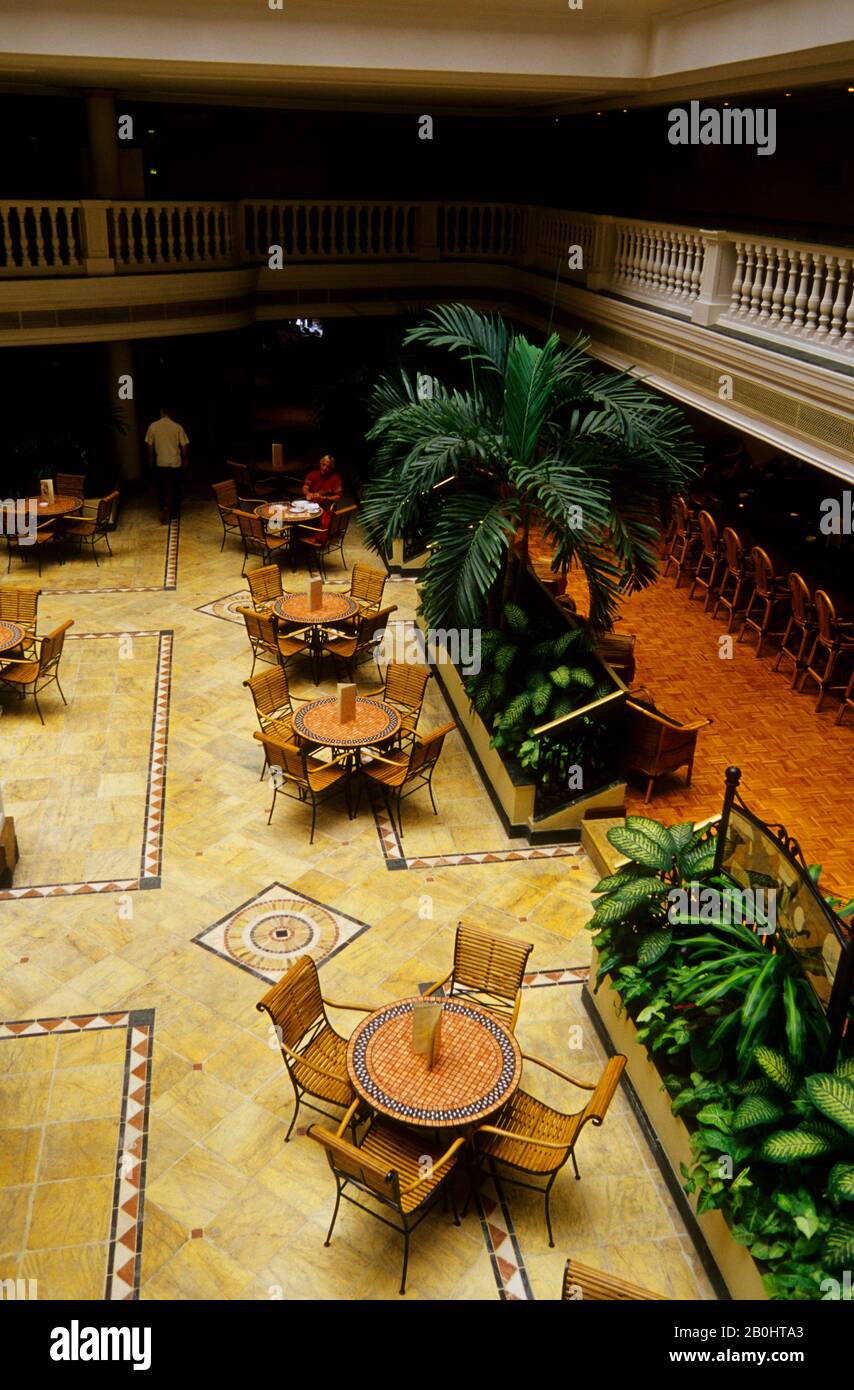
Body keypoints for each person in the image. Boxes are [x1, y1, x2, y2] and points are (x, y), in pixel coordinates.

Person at [145, 406, 189, 524]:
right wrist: (185, 460)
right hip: (175, 463)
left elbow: (149, 445)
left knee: (161, 487)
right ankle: (174, 513)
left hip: (161, 462)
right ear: (171, 413)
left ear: (161, 412)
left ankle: (163, 506)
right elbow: (184, 445)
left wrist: (151, 459)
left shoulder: (153, 426)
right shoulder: (177, 427)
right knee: (176, 488)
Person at [302, 454, 343, 538]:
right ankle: (301, 537)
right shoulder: (312, 474)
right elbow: (305, 487)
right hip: (311, 504)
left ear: (331, 468)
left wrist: (323, 497)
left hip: (326, 506)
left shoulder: (335, 478)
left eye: (328, 466)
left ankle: (315, 538)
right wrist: (308, 493)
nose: (325, 468)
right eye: (323, 465)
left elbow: (338, 497)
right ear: (320, 464)